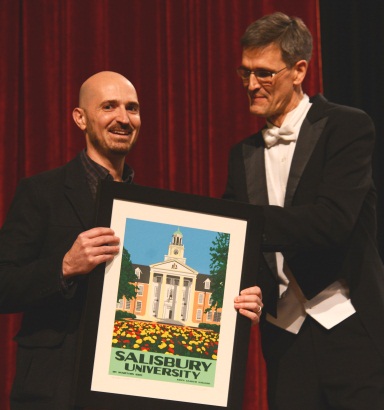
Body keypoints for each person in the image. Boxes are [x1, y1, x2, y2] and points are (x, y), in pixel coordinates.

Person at [0, 70, 262, 410]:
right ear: (80, 118)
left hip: (129, 391)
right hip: (55, 389)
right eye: (108, 106)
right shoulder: (41, 193)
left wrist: (234, 298)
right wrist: (65, 266)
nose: (123, 118)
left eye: (132, 108)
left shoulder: (152, 214)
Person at [227, 12, 384, 410]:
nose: (251, 85)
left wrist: (243, 224)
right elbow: (238, 246)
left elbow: (331, 221)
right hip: (284, 339)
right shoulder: (242, 154)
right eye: (245, 72)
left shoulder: (347, 127)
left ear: (299, 70)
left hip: (351, 329)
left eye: (264, 73)